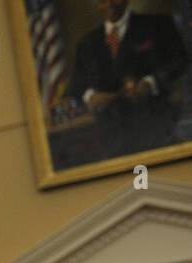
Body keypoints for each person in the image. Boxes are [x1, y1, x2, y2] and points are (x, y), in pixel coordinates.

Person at [66, 0, 190, 157]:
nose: (110, 4)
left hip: (157, 124)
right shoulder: (87, 43)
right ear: (97, 5)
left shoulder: (157, 25)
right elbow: (76, 85)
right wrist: (90, 96)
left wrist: (151, 82)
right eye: (103, 1)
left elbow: (180, 61)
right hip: (111, 135)